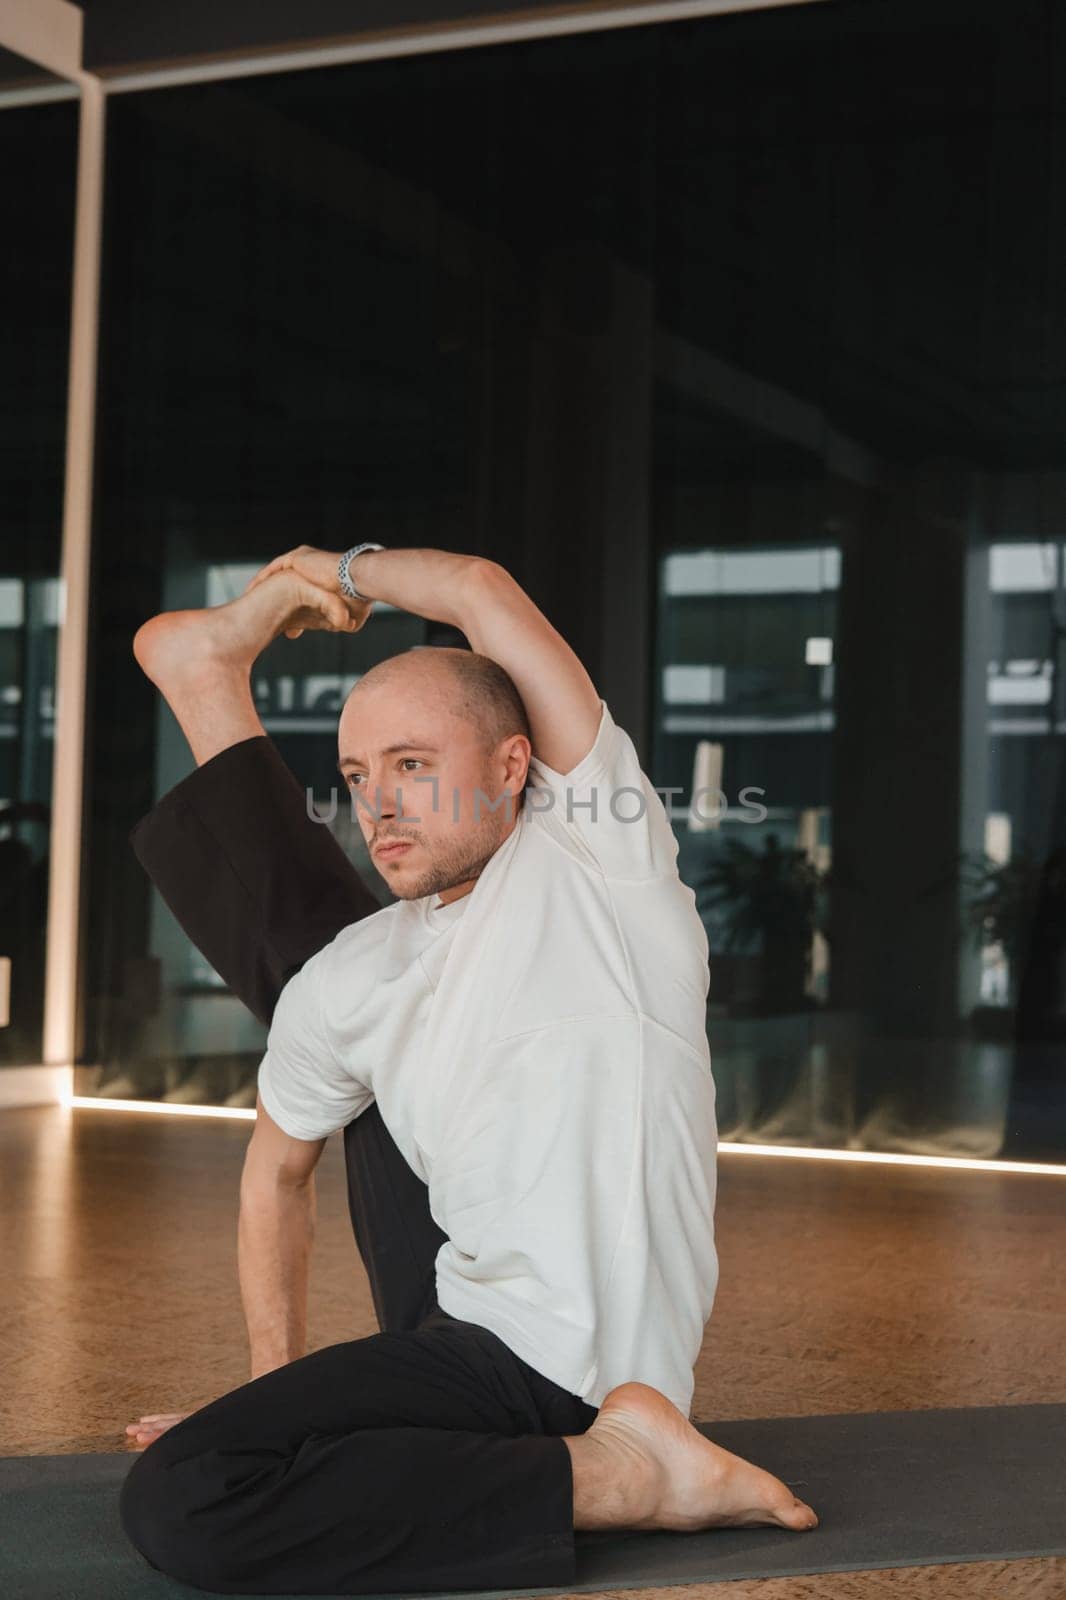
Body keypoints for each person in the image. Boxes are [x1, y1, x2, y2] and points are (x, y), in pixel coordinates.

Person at [119, 545, 818, 1595]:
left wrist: (334, 574)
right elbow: (274, 1172)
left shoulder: (595, 867)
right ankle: (206, 679)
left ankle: (626, 1477)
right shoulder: (356, 971)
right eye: (356, 777)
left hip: (561, 1372)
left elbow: (481, 594)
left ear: (511, 767)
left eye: (411, 763)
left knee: (187, 1496)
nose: (377, 804)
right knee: (337, 1004)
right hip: (457, 1326)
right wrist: (279, 1395)